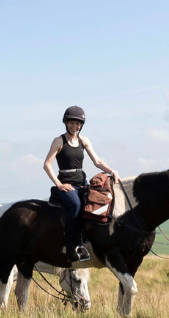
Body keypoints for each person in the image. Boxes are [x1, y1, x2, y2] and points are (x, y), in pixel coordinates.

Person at [43, 106, 120, 263]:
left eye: (77, 124)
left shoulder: (84, 141)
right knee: (76, 205)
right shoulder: (59, 141)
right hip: (66, 184)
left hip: (82, 182)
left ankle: (89, 242)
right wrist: (59, 184)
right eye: (71, 123)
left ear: (81, 125)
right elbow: (47, 165)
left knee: (95, 204)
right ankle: (72, 248)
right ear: (66, 123)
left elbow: (97, 161)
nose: (74, 126)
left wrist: (112, 171)